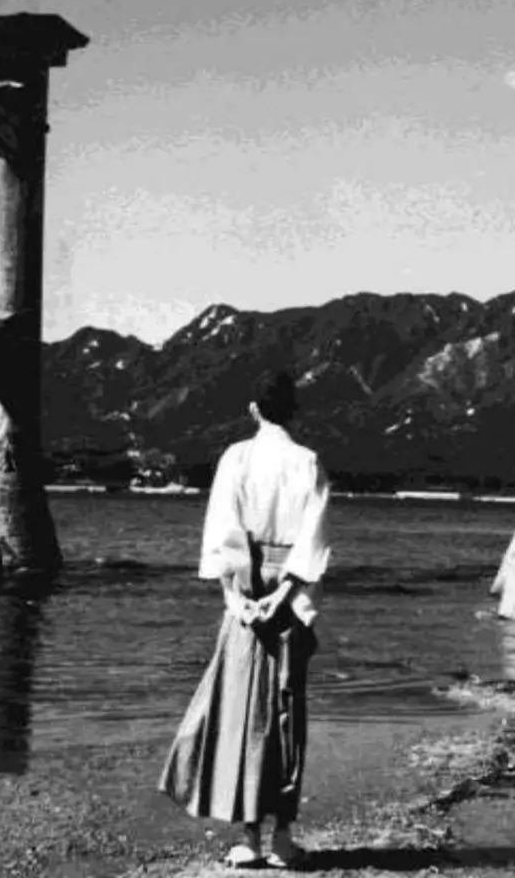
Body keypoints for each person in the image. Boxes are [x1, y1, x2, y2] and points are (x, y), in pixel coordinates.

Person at [159, 370, 332, 869]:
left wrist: (235, 595)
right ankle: (283, 839)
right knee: (287, 715)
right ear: (294, 410)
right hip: (288, 597)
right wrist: (284, 594)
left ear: (254, 409)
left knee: (241, 714)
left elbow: (223, 531)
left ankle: (250, 839)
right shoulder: (308, 461)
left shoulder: (237, 457)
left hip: (247, 592)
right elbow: (314, 539)